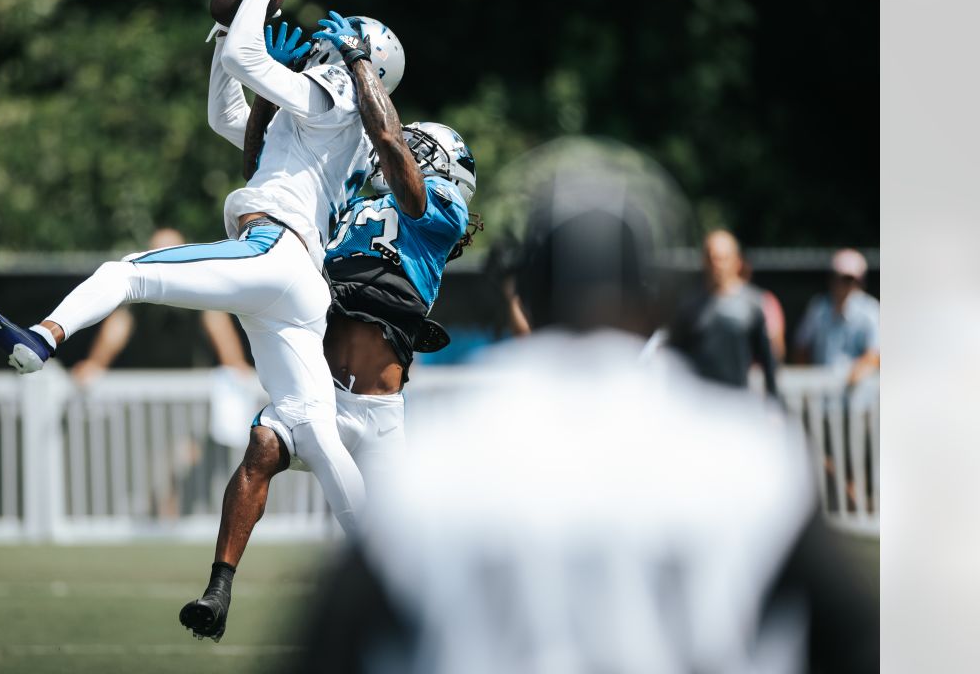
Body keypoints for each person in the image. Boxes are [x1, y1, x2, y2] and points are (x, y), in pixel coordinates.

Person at [293, 138, 877, 673]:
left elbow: (330, 647)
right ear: (652, 300)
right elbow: (855, 641)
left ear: (533, 300)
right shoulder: (746, 461)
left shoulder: (443, 462)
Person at [0, 0, 399, 561]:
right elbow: (227, 112)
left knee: (128, 271)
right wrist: (227, 34)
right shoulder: (319, 128)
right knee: (319, 437)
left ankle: (42, 338)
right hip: (296, 285)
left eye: (344, 43)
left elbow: (252, 64)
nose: (328, 42)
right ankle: (383, 560)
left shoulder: (336, 103)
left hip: (274, 250)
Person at [179, 13, 477, 642]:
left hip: (375, 412)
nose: (408, 144)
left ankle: (431, 623)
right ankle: (218, 589)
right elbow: (261, 167)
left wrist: (360, 63)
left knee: (394, 542)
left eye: (426, 147)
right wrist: (272, 86)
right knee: (262, 448)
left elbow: (394, 150)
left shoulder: (438, 215)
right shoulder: (350, 203)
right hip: (315, 387)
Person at [68, 228, 251, 385]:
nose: (166, 260)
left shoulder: (202, 293)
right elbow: (117, 327)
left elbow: (220, 331)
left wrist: (235, 365)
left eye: (173, 252)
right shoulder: (137, 297)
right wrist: (95, 364)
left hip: (191, 391)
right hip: (147, 390)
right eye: (160, 253)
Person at [667, 229, 779, 395]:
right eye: (712, 258)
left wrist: (774, 406)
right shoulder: (689, 308)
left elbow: (768, 362)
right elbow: (675, 359)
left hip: (736, 402)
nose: (717, 265)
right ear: (704, 261)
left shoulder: (753, 305)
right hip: (699, 403)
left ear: (736, 261)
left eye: (722, 258)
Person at [794, 247, 880, 386]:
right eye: (840, 278)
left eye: (850, 279)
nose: (844, 285)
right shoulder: (818, 308)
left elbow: (875, 355)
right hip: (820, 392)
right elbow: (801, 348)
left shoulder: (871, 310)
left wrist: (857, 372)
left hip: (858, 393)